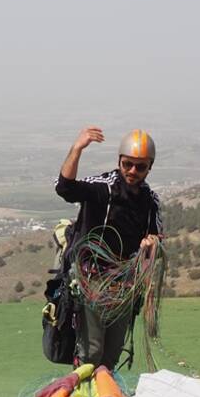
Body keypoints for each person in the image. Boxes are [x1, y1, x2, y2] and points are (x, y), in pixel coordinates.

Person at [56, 126, 162, 370]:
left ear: (150, 167)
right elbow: (66, 188)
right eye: (127, 164)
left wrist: (151, 245)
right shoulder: (102, 187)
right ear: (119, 161)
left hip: (124, 284)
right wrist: (77, 149)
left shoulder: (150, 201)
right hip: (90, 278)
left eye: (140, 166)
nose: (133, 171)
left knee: (111, 354)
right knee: (91, 351)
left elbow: (157, 237)